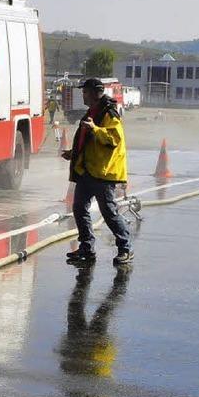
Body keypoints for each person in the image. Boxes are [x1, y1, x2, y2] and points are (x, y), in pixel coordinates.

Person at [61, 78, 133, 265]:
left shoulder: (109, 114)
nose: (83, 95)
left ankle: (125, 248)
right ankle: (87, 247)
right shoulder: (91, 113)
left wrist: (95, 129)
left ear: (95, 92)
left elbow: (114, 139)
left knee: (109, 212)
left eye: (85, 92)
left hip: (103, 173)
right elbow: (87, 141)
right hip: (87, 171)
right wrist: (73, 153)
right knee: (78, 207)